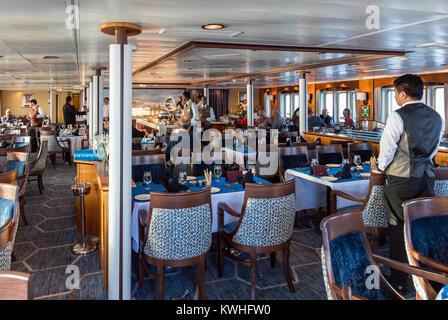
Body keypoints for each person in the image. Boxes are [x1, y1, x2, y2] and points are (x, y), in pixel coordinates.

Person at [372, 74, 443, 293]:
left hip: (401, 180)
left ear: (402, 93)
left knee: (398, 228)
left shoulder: (397, 115)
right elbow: (435, 148)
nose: (395, 97)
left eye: (394, 93)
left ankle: (401, 281)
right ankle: (426, 278)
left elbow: (388, 148)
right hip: (426, 177)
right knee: (421, 227)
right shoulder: (436, 116)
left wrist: (380, 169)